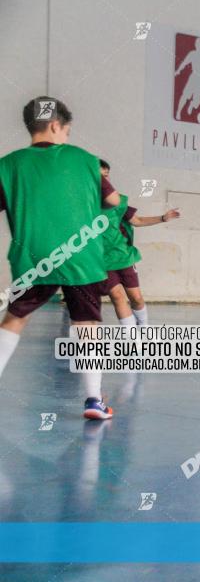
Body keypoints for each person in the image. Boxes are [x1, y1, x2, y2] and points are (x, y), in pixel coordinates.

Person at [0, 96, 122, 419]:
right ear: (56, 125)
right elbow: (112, 200)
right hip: (82, 259)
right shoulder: (85, 160)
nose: (67, 136)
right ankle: (94, 400)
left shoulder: (8, 165)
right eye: (66, 130)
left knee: (15, 319)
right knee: (87, 327)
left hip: (33, 259)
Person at [98, 159, 181, 325]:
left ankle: (144, 329)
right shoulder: (83, 205)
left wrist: (163, 218)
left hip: (123, 257)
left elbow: (137, 220)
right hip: (102, 261)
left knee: (136, 298)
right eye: (100, 177)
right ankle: (131, 340)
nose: (105, 181)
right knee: (117, 296)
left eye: (106, 176)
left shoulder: (118, 202)